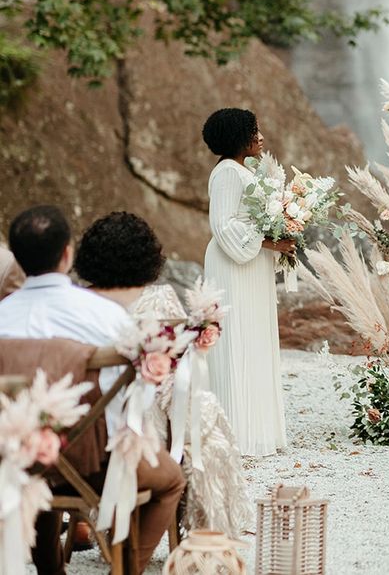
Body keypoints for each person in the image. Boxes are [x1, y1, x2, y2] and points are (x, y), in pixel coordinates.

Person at [0, 205, 185, 573]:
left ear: (16, 257)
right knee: (171, 481)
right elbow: (133, 397)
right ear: (67, 253)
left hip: (18, 459)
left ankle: (51, 570)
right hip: (97, 462)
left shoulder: (3, 315)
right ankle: (125, 571)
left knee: (45, 466)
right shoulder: (103, 315)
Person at [75, 211, 253, 538]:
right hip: (141, 436)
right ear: (147, 257)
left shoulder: (77, 305)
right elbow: (177, 383)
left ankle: (88, 519)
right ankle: (198, 531)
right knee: (202, 419)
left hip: (77, 435)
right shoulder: (159, 300)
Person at [201, 108, 294, 456]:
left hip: (251, 265)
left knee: (253, 338)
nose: (261, 138)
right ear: (238, 136)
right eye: (255, 132)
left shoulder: (244, 170)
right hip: (233, 265)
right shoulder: (227, 173)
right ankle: (236, 433)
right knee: (236, 340)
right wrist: (271, 242)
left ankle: (258, 430)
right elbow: (223, 225)